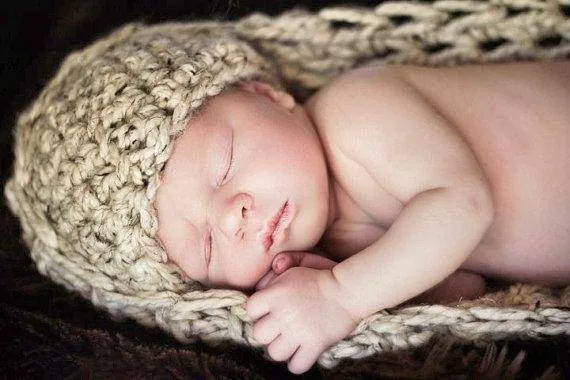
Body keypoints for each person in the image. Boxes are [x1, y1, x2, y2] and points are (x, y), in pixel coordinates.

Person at [153, 61, 570, 373]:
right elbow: (466, 285)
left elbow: (463, 205)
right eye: (208, 246)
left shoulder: (353, 110)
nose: (232, 219)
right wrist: (339, 280)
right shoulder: (341, 242)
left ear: (267, 95)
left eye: (225, 164)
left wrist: (343, 295)